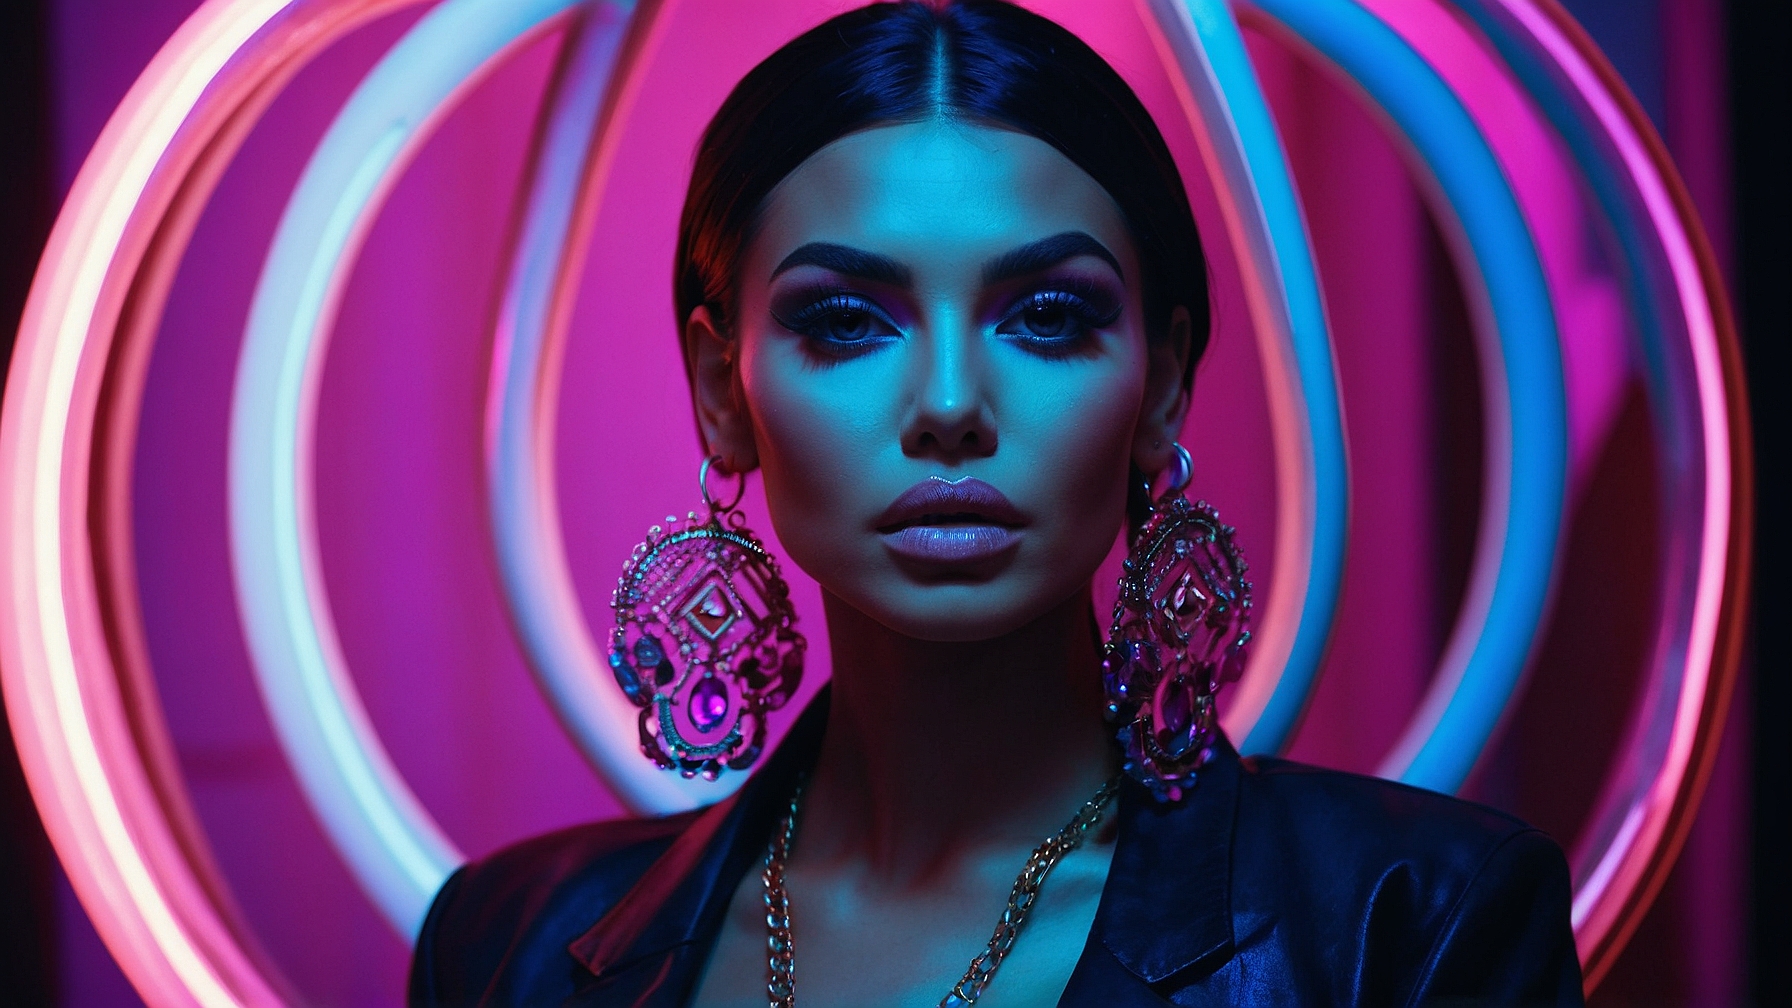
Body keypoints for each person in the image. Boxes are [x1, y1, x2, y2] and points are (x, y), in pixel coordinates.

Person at [407, 2, 1583, 1004]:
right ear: (723, 394)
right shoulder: (504, 945)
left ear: (1163, 387)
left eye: (1048, 316)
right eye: (846, 321)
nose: (952, 404)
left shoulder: (1417, 926)